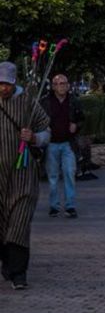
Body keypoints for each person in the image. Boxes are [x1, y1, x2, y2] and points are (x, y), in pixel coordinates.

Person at [0, 62, 50, 289]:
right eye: (0, 84)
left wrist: (34, 138)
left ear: (14, 83)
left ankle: (19, 273)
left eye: (7, 84)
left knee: (19, 223)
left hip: (23, 174)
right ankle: (8, 265)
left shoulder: (28, 101)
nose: (3, 89)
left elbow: (46, 131)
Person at [41, 73, 85, 218]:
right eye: (58, 84)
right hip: (51, 143)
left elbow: (82, 119)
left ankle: (70, 206)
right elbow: (37, 119)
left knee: (69, 174)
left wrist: (76, 126)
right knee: (53, 177)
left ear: (68, 85)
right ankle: (54, 205)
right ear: (53, 86)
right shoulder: (45, 102)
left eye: (64, 83)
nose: (61, 86)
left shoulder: (74, 101)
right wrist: (44, 128)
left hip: (68, 143)